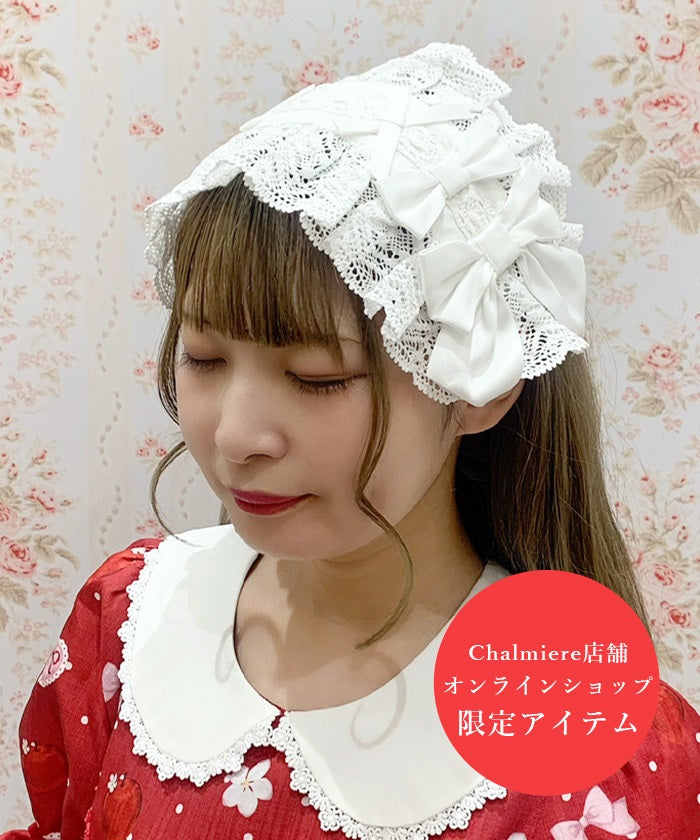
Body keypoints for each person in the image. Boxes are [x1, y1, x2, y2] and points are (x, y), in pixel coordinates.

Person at [2, 43, 699, 840]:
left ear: (480, 385)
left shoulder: (584, 739)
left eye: (316, 376)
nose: (235, 435)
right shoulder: (128, 621)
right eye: (203, 358)